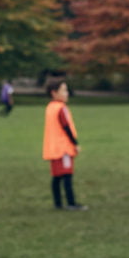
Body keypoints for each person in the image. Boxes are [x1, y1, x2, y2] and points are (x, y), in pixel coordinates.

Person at [42, 78, 87, 211]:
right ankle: (71, 203)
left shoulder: (50, 107)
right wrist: (75, 143)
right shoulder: (61, 108)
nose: (66, 93)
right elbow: (66, 126)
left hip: (53, 148)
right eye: (64, 90)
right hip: (63, 148)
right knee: (67, 175)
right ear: (54, 93)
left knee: (56, 176)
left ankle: (58, 203)